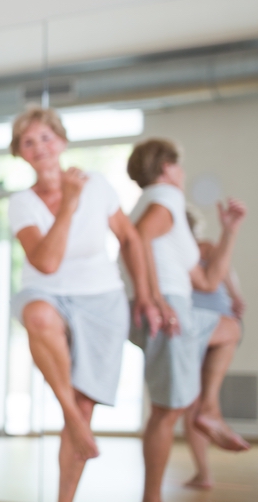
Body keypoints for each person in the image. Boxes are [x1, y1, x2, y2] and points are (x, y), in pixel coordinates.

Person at [6, 108, 157, 502]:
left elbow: (129, 239)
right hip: (48, 293)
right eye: (29, 141)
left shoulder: (99, 185)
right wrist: (69, 204)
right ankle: (73, 419)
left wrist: (144, 295)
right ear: (20, 153)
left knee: (86, 404)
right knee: (37, 314)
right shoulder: (23, 203)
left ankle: (65, 495)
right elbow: (47, 262)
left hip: (102, 299)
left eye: (46, 137)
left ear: (62, 142)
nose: (40, 147)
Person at [126, 139, 244, 502]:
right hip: (166, 306)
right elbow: (138, 238)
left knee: (228, 330)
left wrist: (230, 231)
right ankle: (151, 497)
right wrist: (154, 298)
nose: (182, 171)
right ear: (165, 168)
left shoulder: (165, 204)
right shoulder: (164, 195)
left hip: (175, 301)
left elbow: (207, 281)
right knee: (166, 411)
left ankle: (207, 409)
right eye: (178, 165)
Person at [183, 205, 250, 490]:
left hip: (215, 325)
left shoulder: (202, 248)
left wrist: (236, 297)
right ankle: (203, 473)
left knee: (194, 404)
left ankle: (204, 472)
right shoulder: (175, 256)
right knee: (195, 406)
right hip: (202, 326)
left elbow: (224, 276)